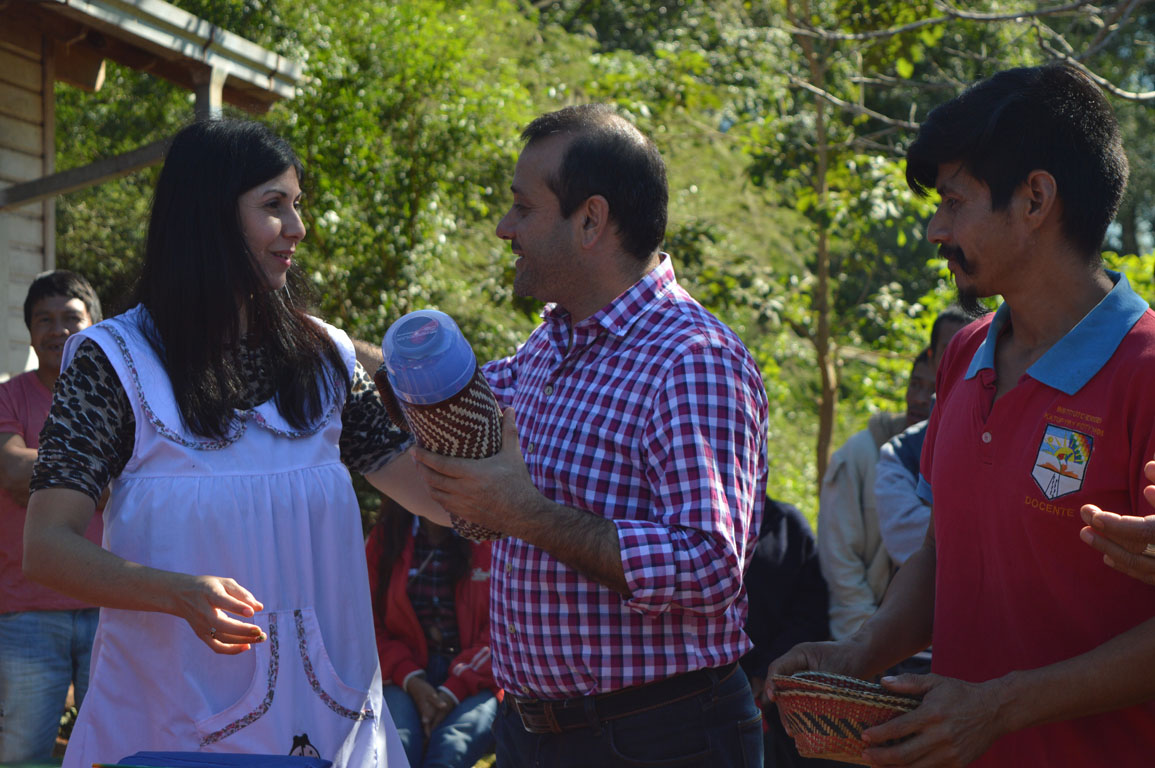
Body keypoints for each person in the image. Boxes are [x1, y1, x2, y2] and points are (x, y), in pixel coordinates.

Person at [21, 119, 445, 766]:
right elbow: (47, 548)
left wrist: (501, 443)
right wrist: (177, 593)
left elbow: (435, 495)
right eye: (274, 206)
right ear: (209, 217)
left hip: (327, 722)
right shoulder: (115, 361)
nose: (297, 228)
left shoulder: (324, 356)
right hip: (170, 724)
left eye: (296, 205)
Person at [768, 63, 1155, 767]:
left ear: (1035, 198)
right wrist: (862, 652)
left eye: (952, 202)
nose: (933, 230)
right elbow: (948, 547)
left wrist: (1001, 706)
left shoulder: (1146, 373)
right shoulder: (967, 352)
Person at [408, 104, 769, 767]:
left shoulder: (691, 356)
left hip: (660, 738)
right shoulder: (551, 344)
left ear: (590, 221)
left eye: (521, 207)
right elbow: (460, 407)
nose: (503, 227)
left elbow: (710, 565)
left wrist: (526, 515)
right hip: (538, 732)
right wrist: (333, 356)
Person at [0, 271, 103, 762]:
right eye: (44, 320)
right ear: (29, 331)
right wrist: (96, 476)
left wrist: (49, 476)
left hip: (112, 598)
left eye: (71, 318)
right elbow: (12, 470)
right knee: (23, 751)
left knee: (111, 741)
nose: (58, 330)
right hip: (27, 608)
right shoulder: (7, 397)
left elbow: (145, 482)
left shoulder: (118, 396)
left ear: (94, 325)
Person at [366, 496, 497, 768]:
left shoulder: (488, 538)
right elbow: (366, 623)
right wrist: (411, 679)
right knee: (398, 745)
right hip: (402, 674)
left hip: (476, 679)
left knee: (453, 746)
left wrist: (453, 690)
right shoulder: (386, 539)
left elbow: (500, 632)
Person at [816, 350, 932, 640]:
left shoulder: (958, 455)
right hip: (865, 631)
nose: (920, 398)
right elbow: (841, 562)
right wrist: (865, 640)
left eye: (934, 389)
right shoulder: (861, 454)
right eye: (916, 384)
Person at [739, 496, 836, 768]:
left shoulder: (787, 524)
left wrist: (764, 673)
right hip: (710, 694)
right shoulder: (692, 525)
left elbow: (812, 612)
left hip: (781, 695)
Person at [874, 306, 970, 566]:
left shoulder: (1014, 433)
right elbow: (908, 541)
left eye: (980, 348)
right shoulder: (900, 454)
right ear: (932, 359)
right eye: (953, 348)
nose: (969, 360)